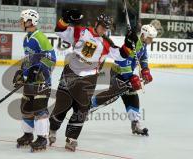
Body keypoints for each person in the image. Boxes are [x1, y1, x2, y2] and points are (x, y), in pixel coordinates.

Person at [48, 9, 139, 151]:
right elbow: (59, 31)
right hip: (70, 74)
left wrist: (128, 44)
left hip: (89, 79)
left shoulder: (106, 43)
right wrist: (65, 19)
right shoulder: (81, 32)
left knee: (82, 109)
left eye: (106, 28)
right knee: (62, 105)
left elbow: (121, 56)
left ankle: (71, 139)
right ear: (96, 23)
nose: (103, 30)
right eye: (102, 26)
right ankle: (53, 129)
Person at [91, 24, 158, 136]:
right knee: (111, 96)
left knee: (132, 95)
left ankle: (135, 123)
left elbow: (143, 57)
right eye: (150, 37)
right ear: (144, 35)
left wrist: (145, 69)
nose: (152, 40)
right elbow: (123, 62)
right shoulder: (134, 43)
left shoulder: (142, 44)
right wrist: (131, 77)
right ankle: (88, 105)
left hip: (126, 75)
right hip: (117, 72)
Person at [13, 9, 56, 151]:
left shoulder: (40, 37)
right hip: (30, 81)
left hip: (41, 82)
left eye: (22, 20)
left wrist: (38, 71)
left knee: (39, 110)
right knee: (26, 108)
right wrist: (21, 72)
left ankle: (42, 138)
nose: (20, 22)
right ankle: (27, 135)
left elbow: (51, 59)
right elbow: (28, 59)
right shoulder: (26, 38)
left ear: (30, 22)